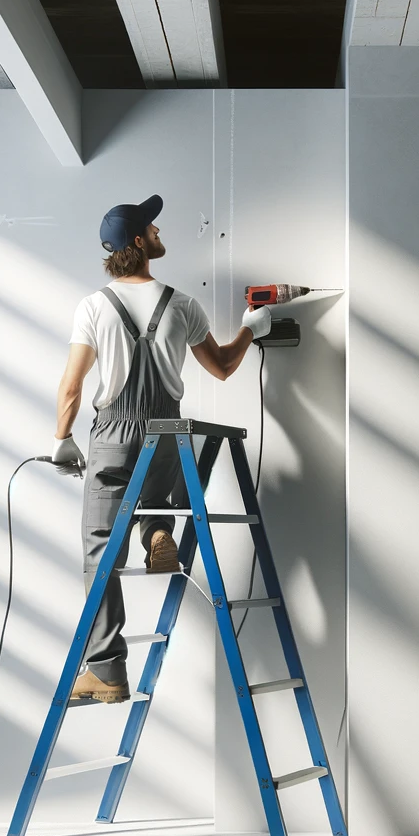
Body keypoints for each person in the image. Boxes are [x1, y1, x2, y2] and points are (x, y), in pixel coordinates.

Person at [52, 195, 271, 703]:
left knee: (100, 551)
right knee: (155, 500)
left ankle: (106, 670)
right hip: (169, 433)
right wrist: (250, 329)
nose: (158, 228)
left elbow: (71, 387)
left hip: (114, 435)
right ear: (138, 241)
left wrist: (62, 440)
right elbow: (221, 367)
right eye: (152, 226)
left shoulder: (93, 307)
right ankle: (157, 533)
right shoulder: (182, 304)